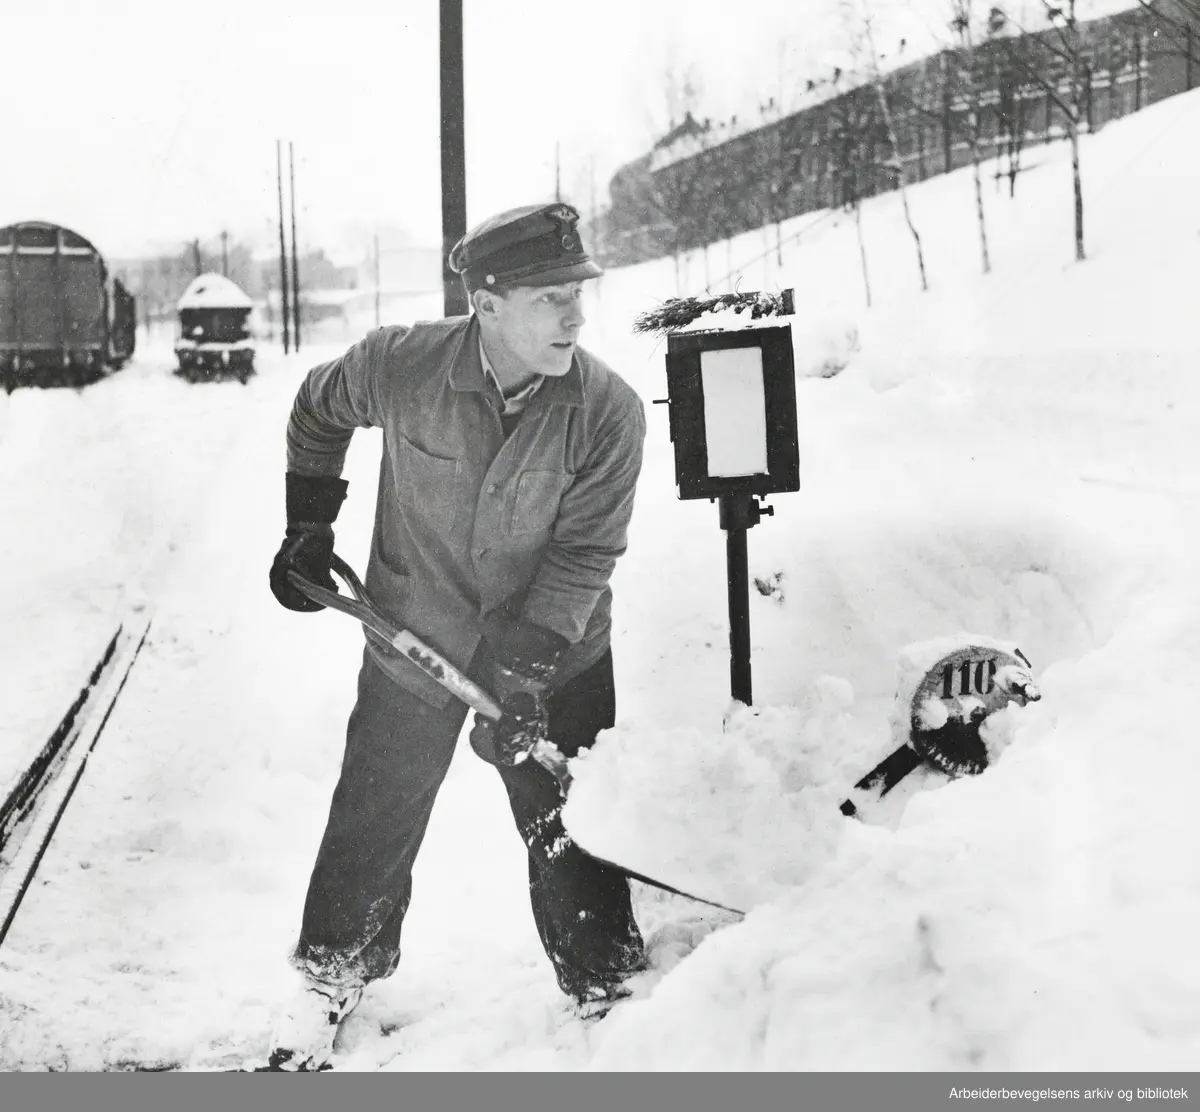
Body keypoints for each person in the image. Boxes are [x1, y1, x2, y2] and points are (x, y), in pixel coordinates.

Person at [265, 202, 648, 1071]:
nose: (575, 316)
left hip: (560, 646)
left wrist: (528, 668)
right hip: (416, 630)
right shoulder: (398, 366)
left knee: (567, 819)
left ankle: (607, 985)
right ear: (486, 302)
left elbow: (588, 551)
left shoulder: (609, 412)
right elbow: (316, 413)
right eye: (551, 297)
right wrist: (308, 526)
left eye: (578, 294)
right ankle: (331, 977)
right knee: (376, 809)